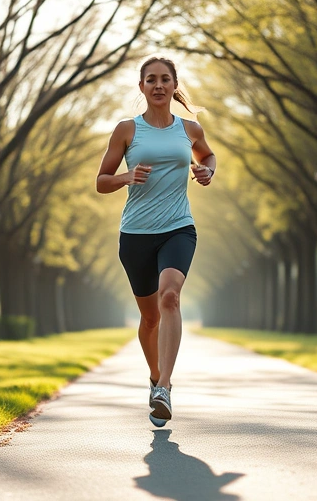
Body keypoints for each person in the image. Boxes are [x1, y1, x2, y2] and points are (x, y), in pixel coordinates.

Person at [95, 56, 216, 427]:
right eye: (151, 79)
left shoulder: (190, 129)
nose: (158, 85)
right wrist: (126, 176)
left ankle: (164, 386)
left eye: (165, 79)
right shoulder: (127, 130)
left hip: (178, 228)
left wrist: (207, 170)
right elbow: (101, 181)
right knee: (149, 318)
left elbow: (207, 155)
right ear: (142, 87)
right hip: (135, 236)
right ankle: (153, 376)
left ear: (174, 85)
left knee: (170, 297)